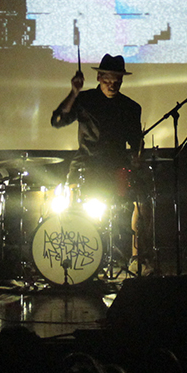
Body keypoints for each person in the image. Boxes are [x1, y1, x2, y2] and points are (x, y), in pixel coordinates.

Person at [51, 53, 145, 269]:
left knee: (131, 209)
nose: (112, 85)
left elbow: (137, 143)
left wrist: (138, 157)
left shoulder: (131, 107)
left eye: (117, 81)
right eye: (108, 80)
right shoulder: (84, 100)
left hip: (116, 169)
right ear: (99, 77)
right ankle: (78, 260)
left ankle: (130, 259)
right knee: (78, 216)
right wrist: (74, 92)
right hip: (86, 166)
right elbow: (57, 120)